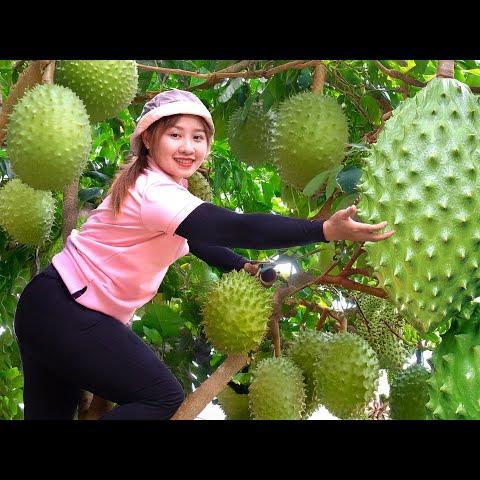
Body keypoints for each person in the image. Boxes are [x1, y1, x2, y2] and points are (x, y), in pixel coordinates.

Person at [13, 89, 395, 420]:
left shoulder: (158, 189)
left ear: (208, 147)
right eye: (175, 134)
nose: (188, 147)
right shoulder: (154, 193)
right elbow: (237, 227)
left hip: (46, 308)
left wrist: (241, 264)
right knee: (161, 397)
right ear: (148, 139)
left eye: (198, 137)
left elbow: (197, 241)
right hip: (68, 312)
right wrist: (323, 229)